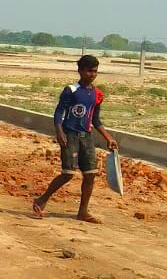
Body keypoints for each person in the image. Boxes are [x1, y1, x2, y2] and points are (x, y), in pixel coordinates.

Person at [32, 54, 119, 223]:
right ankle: (41, 200)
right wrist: (59, 132)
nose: (92, 74)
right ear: (80, 71)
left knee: (90, 175)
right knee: (68, 174)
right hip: (70, 135)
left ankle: (83, 212)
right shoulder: (71, 90)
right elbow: (59, 112)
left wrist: (108, 137)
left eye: (95, 71)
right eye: (89, 71)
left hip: (87, 137)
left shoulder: (97, 94)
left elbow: (95, 120)